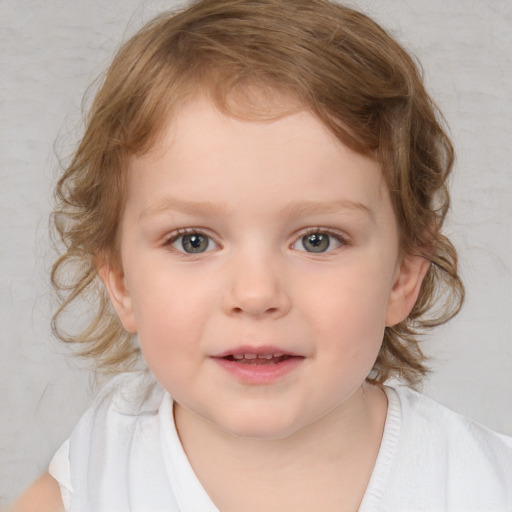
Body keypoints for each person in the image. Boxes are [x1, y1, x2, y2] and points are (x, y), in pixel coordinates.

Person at [11, 0, 512, 510]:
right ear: (119, 280)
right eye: (193, 241)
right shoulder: (90, 479)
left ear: (404, 275)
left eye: (317, 240)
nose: (255, 294)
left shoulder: (483, 482)